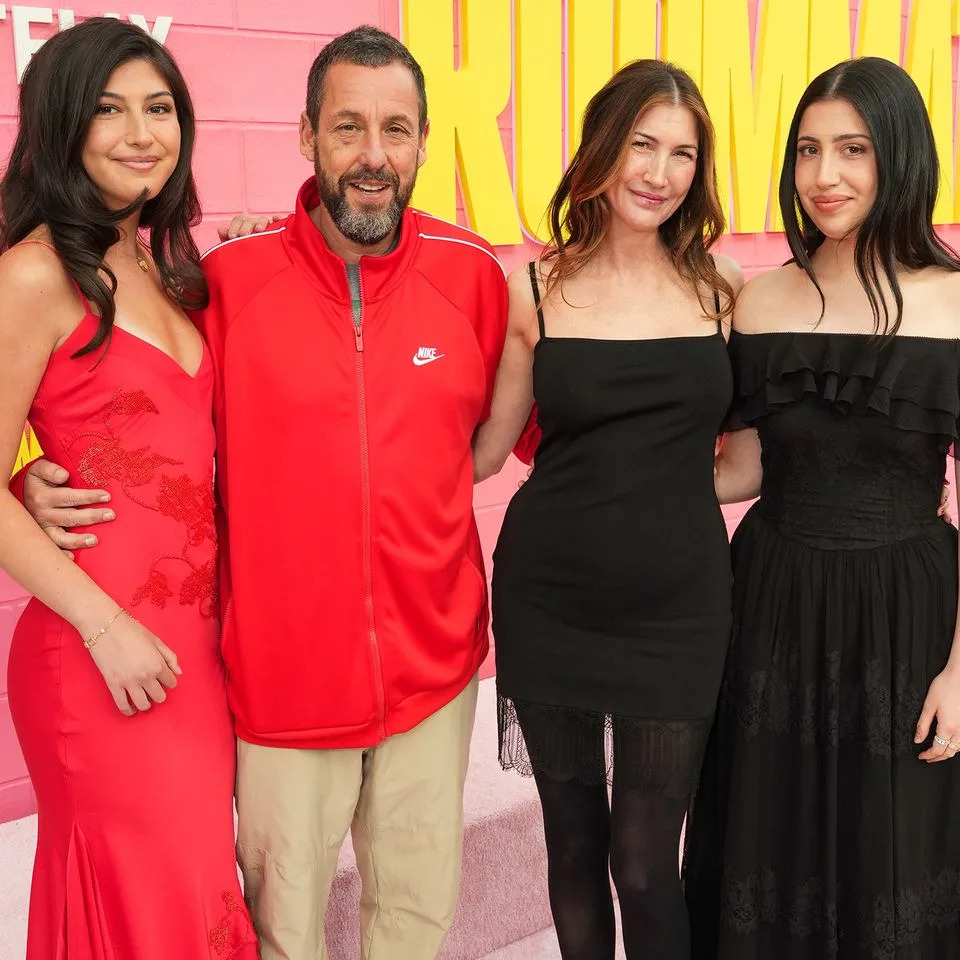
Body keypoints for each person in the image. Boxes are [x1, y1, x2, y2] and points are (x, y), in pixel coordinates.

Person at [15, 25, 508, 960]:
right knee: (274, 929)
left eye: (396, 129)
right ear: (305, 135)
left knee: (409, 924)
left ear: (424, 142)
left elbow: (497, 437)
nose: (372, 155)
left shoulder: (471, 275)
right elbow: (116, 408)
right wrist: (28, 481)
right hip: (274, 678)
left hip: (428, 668)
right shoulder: (226, 278)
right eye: (348, 127)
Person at [684, 57, 960, 959]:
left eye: (853, 149)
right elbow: (746, 469)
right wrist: (609, 471)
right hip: (772, 603)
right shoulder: (761, 303)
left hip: (906, 615)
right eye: (808, 150)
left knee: (895, 851)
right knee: (771, 834)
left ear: (903, 159)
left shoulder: (956, 306)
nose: (824, 175)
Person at [471, 60, 743, 960]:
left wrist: (659, 487)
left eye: (682, 155)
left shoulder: (723, 292)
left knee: (643, 860)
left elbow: (752, 456)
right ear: (602, 149)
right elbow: (481, 450)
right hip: (552, 599)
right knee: (575, 845)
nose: (659, 173)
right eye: (642, 145)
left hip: (678, 613)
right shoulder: (534, 290)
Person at [0, 18, 257, 959]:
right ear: (61, 125)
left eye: (159, 108)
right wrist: (106, 629)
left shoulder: (162, 268)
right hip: (97, 654)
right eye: (109, 109)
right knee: (144, 908)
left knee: (194, 896)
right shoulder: (31, 274)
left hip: (194, 654)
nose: (141, 131)